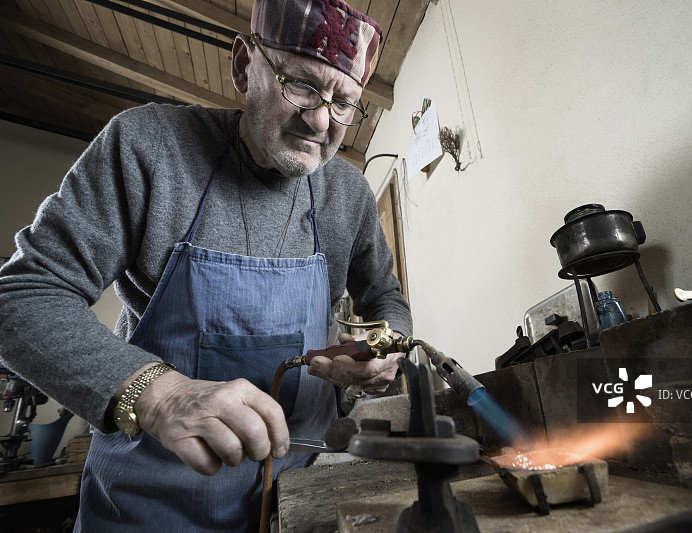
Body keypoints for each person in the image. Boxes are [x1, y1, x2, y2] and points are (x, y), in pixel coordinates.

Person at [0, 0, 411, 530]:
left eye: (344, 102)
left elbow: (385, 298)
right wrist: (158, 396)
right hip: (152, 504)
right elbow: (22, 296)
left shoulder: (348, 193)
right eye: (301, 85)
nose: (319, 119)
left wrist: (386, 345)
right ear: (243, 65)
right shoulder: (148, 147)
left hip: (303, 497)